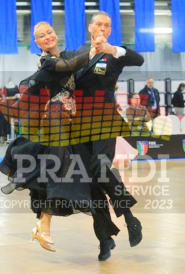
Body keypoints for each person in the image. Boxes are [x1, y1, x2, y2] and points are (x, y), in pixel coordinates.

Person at [0, 22, 120, 256]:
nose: (47, 37)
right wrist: (94, 50)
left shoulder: (66, 54)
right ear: (36, 42)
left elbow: (78, 60)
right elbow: (70, 64)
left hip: (77, 124)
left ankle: (103, 237)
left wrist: (97, 42)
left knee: (88, 181)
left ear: (56, 34)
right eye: (41, 36)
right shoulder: (47, 62)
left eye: (50, 32)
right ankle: (44, 225)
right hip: (57, 121)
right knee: (60, 173)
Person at [73, 11, 144, 259]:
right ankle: (105, 238)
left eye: (107, 25)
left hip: (104, 121)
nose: (102, 28)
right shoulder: (76, 54)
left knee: (100, 168)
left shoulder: (115, 54)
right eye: (99, 24)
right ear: (90, 27)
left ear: (110, 29)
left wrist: (113, 50)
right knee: (90, 182)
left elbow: (139, 59)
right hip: (78, 126)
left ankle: (129, 217)